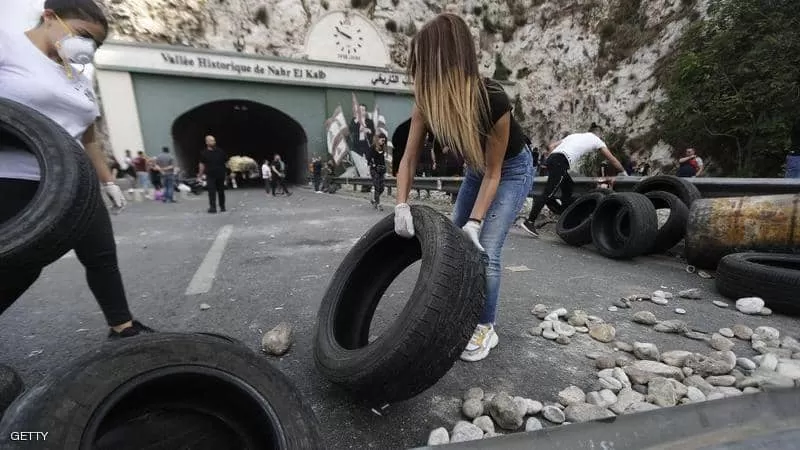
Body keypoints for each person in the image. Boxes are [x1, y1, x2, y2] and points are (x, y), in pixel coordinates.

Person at [0, 0, 153, 339]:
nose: (88, 48)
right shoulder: (8, 46)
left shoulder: (76, 75)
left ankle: (123, 327)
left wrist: (108, 182)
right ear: (49, 17)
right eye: (84, 35)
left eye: (95, 44)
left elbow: (89, 138)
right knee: (20, 265)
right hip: (14, 178)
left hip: (75, 183)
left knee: (101, 254)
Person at [393, 13, 535, 362]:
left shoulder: (494, 100)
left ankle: (486, 326)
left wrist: (476, 221)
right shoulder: (427, 102)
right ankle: (455, 307)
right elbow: (408, 159)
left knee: (485, 248)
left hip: (511, 171)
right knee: (453, 243)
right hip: (476, 168)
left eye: (424, 62)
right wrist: (400, 204)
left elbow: (494, 172)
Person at [520, 123, 628, 237]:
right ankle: (530, 222)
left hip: (553, 159)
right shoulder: (597, 140)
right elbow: (612, 159)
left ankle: (564, 216)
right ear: (599, 134)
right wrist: (624, 173)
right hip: (560, 162)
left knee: (568, 187)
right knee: (549, 192)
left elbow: (551, 146)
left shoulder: (574, 136)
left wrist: (552, 160)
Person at [198, 135, 227, 213]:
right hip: (210, 175)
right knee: (211, 192)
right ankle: (213, 207)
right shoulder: (203, 153)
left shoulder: (220, 151)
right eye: (211, 141)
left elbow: (226, 162)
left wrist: (227, 173)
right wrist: (200, 175)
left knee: (221, 191)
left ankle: (222, 206)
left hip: (220, 174)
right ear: (206, 142)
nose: (213, 142)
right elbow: (202, 165)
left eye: (214, 140)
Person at [366, 133, 388, 209]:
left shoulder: (383, 148)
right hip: (374, 170)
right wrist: (372, 164)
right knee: (377, 187)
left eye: (384, 141)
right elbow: (368, 157)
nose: (383, 142)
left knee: (382, 188)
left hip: (381, 170)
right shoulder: (372, 147)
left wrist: (385, 168)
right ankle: (378, 204)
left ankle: (374, 199)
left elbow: (382, 160)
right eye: (382, 140)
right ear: (378, 139)